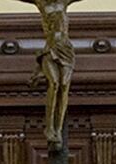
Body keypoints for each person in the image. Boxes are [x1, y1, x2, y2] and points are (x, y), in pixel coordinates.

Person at [16, 0, 84, 148]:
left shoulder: (63, 1)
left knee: (64, 86)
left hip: (65, 49)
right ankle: (49, 128)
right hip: (50, 48)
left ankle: (58, 130)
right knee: (54, 84)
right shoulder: (41, 2)